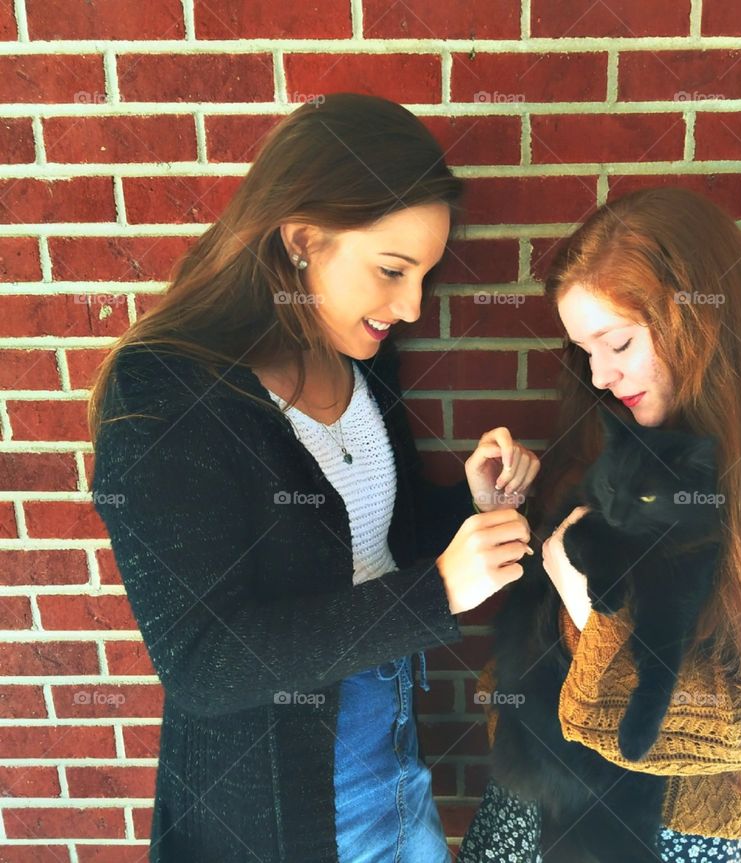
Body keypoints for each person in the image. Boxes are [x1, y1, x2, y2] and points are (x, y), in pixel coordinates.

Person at [88, 93, 540, 863]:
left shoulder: (359, 357)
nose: (410, 305)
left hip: (393, 740)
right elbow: (203, 660)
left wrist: (468, 505)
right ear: (302, 240)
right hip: (284, 792)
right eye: (393, 270)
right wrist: (438, 593)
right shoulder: (167, 390)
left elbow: (370, 546)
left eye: (424, 275)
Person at [460, 187, 741, 862]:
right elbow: (547, 610)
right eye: (583, 349)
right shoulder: (624, 429)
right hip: (536, 805)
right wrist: (503, 519)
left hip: (684, 836)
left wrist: (592, 612)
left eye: (617, 341)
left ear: (698, 318)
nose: (599, 372)